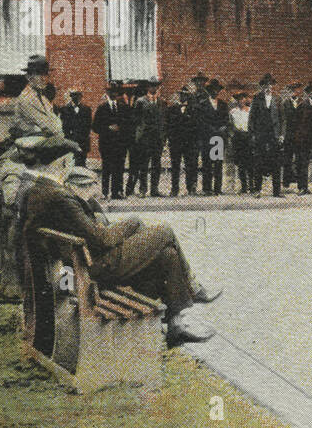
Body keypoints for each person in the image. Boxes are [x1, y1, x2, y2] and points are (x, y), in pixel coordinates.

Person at [23, 165, 221, 346]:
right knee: (164, 231)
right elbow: (103, 239)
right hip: (99, 269)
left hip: (90, 264)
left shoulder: (59, 197)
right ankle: (193, 287)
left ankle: (176, 326)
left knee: (167, 254)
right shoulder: (66, 201)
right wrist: (127, 224)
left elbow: (93, 232)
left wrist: (97, 212)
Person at [93, 80, 131, 199]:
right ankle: (105, 192)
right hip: (106, 143)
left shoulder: (123, 107)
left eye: (115, 91)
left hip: (120, 144)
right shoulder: (102, 108)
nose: (113, 94)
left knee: (119, 168)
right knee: (107, 168)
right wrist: (108, 128)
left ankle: (117, 191)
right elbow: (95, 127)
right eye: (111, 91)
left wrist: (120, 128)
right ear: (107, 93)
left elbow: (129, 124)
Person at [128, 79, 166, 198]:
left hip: (157, 138)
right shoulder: (140, 101)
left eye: (155, 86)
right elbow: (135, 120)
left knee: (156, 165)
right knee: (143, 165)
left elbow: (164, 121)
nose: (153, 88)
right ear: (147, 87)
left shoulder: (162, 102)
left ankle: (154, 189)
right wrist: (138, 135)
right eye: (151, 86)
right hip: (145, 138)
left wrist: (163, 137)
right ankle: (143, 189)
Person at [249, 74, 285, 198]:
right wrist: (253, 134)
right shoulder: (257, 98)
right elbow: (252, 118)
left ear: (273, 86)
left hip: (274, 135)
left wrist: (281, 134)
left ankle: (277, 191)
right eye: (265, 85)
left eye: (270, 84)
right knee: (259, 162)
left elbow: (282, 119)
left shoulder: (277, 99)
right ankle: (257, 190)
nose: (268, 87)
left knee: (276, 163)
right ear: (262, 86)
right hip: (261, 134)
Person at [166, 86, 200, 197]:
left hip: (189, 143)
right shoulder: (172, 109)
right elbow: (168, 125)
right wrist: (170, 139)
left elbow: (197, 126)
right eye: (181, 94)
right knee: (175, 166)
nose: (183, 96)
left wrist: (194, 141)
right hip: (176, 142)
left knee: (190, 165)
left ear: (188, 96)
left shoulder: (194, 109)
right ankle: (174, 188)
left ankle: (190, 188)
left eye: (185, 95)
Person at [294, 82, 312, 194]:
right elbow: (296, 124)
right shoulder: (302, 106)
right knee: (303, 164)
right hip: (305, 140)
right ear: (308, 93)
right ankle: (303, 187)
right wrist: (299, 137)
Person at [59, 88, 92, 167]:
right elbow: (64, 126)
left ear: (81, 97)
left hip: (83, 142)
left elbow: (88, 125)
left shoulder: (86, 109)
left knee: (82, 164)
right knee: (70, 164)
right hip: (71, 141)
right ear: (71, 97)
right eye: (73, 95)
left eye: (78, 95)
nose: (76, 98)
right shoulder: (65, 109)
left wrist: (83, 136)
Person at [228, 91, 253, 193]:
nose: (241, 101)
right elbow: (230, 126)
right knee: (240, 163)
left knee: (250, 163)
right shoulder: (233, 112)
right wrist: (232, 135)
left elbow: (253, 124)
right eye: (239, 99)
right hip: (238, 138)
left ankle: (252, 185)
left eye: (243, 98)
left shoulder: (250, 111)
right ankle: (244, 186)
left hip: (248, 137)